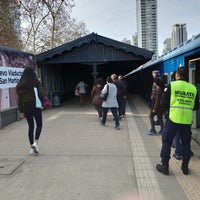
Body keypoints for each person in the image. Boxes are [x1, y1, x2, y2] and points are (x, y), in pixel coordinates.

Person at [156, 67, 199, 175]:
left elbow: (163, 103)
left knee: (167, 141)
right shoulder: (193, 88)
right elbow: (196, 106)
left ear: (177, 76)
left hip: (173, 119)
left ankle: (165, 166)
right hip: (187, 120)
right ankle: (185, 168)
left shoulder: (172, 85)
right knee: (186, 144)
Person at [16, 67, 45, 155]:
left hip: (26, 107)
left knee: (31, 126)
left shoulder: (20, 85)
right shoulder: (36, 82)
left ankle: (31, 147)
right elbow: (42, 94)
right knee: (39, 124)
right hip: (36, 106)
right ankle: (36, 143)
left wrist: (21, 111)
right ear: (33, 73)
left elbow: (19, 100)